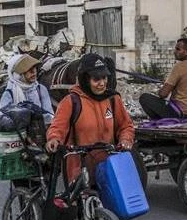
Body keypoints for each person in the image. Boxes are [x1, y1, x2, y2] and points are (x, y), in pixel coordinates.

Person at [46, 53, 134, 183]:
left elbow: (125, 126)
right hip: (80, 169)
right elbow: (58, 127)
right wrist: (54, 138)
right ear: (85, 79)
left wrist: (125, 139)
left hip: (110, 167)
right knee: (81, 202)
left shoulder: (113, 99)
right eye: (96, 79)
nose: (102, 83)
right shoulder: (71, 101)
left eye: (104, 78)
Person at [139, 38, 187, 120]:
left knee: (144, 98)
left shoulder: (179, 67)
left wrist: (163, 88)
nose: (175, 51)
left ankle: (160, 122)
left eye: (178, 49)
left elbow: (163, 94)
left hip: (182, 114)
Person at [0, 53, 54, 124]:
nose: (33, 72)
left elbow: (49, 115)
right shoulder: (10, 93)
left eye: (34, 68)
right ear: (18, 75)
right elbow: (2, 119)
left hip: (38, 131)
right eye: (29, 70)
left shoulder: (40, 89)